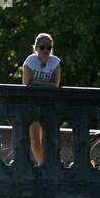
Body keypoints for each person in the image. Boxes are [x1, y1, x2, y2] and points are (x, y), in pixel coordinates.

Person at [21, 32, 61, 165]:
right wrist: (46, 84)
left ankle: (47, 164)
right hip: (31, 103)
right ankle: (42, 164)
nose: (45, 50)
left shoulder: (55, 62)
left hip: (48, 104)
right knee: (35, 138)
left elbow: (55, 85)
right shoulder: (30, 62)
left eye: (49, 48)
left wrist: (37, 83)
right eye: (42, 47)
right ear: (36, 48)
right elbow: (27, 84)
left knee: (48, 137)